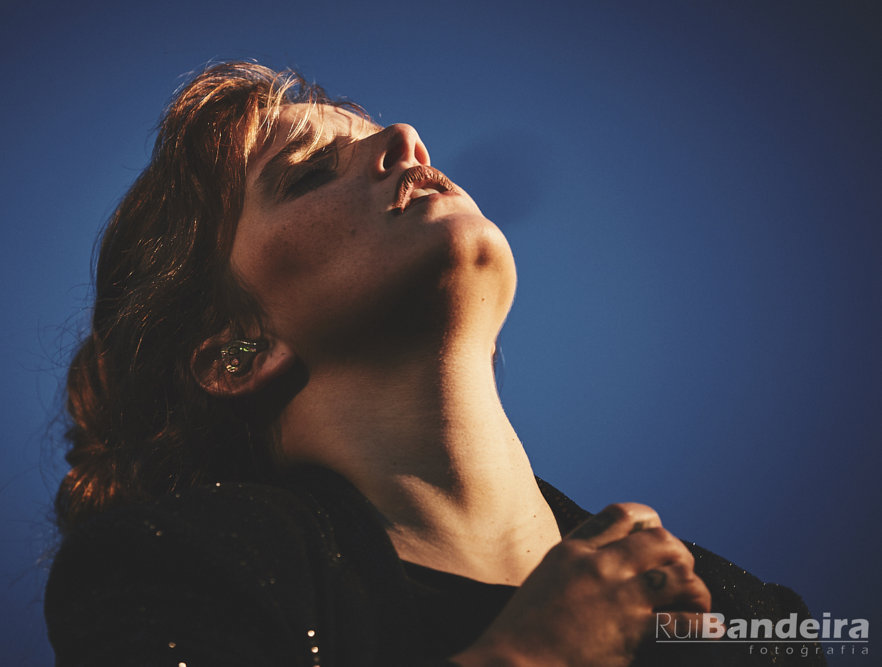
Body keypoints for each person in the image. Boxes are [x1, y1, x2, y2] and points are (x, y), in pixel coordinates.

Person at [45, 62, 823, 666]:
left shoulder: (747, 614)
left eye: (383, 134)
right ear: (237, 352)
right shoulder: (176, 571)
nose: (408, 139)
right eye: (311, 173)